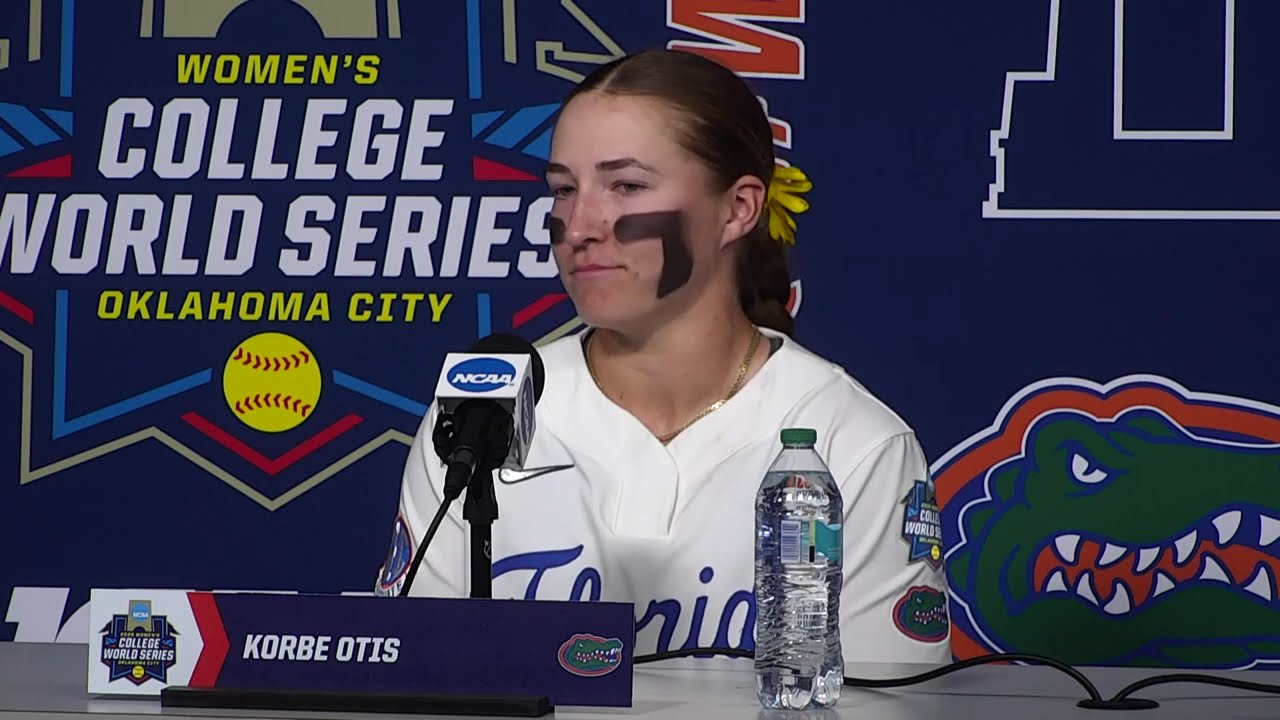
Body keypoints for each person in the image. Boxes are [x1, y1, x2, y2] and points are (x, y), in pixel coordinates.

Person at [376, 48, 951, 666]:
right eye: (563, 189)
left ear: (738, 209)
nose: (579, 224)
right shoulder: (481, 414)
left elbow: (890, 705)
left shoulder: (854, 444)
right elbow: (406, 673)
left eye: (626, 185)